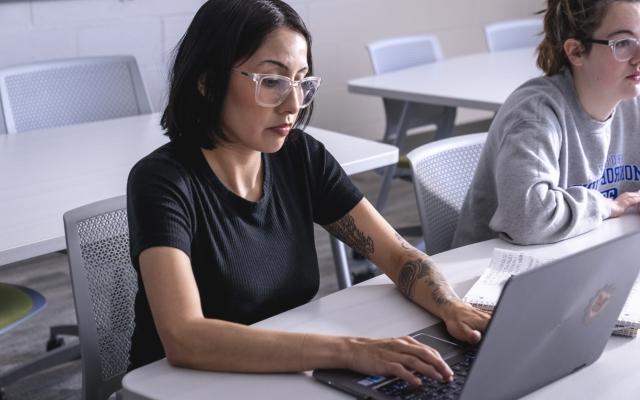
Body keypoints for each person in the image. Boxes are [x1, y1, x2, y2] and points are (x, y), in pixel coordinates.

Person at [126, 0, 488, 386]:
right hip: (179, 387)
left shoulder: (299, 156)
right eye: (272, 81)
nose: (293, 104)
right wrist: (349, 351)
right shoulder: (162, 181)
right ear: (207, 82)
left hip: (279, 378)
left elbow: (397, 255)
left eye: (302, 81)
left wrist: (452, 308)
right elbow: (185, 337)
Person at [454, 0, 640, 248]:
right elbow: (528, 219)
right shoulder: (536, 113)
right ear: (575, 51)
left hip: (583, 257)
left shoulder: (632, 101)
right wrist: (607, 206)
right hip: (493, 273)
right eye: (623, 43)